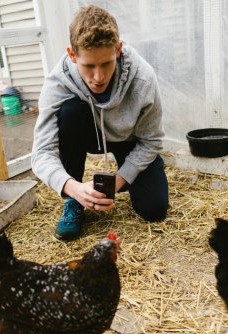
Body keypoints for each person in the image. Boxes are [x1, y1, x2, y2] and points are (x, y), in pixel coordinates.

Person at [31, 5, 169, 240]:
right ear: (72, 55)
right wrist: (73, 188)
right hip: (88, 133)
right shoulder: (57, 82)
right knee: (70, 111)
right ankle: (73, 204)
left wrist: (119, 179)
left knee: (154, 210)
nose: (98, 77)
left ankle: (129, 174)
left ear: (118, 50)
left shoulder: (143, 77)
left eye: (106, 64)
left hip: (129, 139)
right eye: (88, 66)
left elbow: (151, 140)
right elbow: (41, 153)